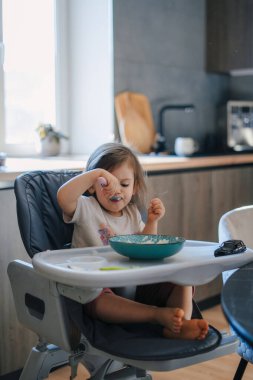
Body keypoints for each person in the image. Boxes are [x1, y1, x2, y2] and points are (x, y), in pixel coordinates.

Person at [57, 142, 208, 340]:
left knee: (184, 279)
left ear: (135, 186)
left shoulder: (131, 212)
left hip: (134, 283)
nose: (115, 190)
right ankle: (157, 315)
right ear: (92, 187)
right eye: (105, 184)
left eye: (124, 184)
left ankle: (180, 326)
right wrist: (95, 174)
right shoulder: (86, 208)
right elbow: (63, 197)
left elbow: (145, 247)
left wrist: (152, 221)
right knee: (100, 301)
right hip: (100, 286)